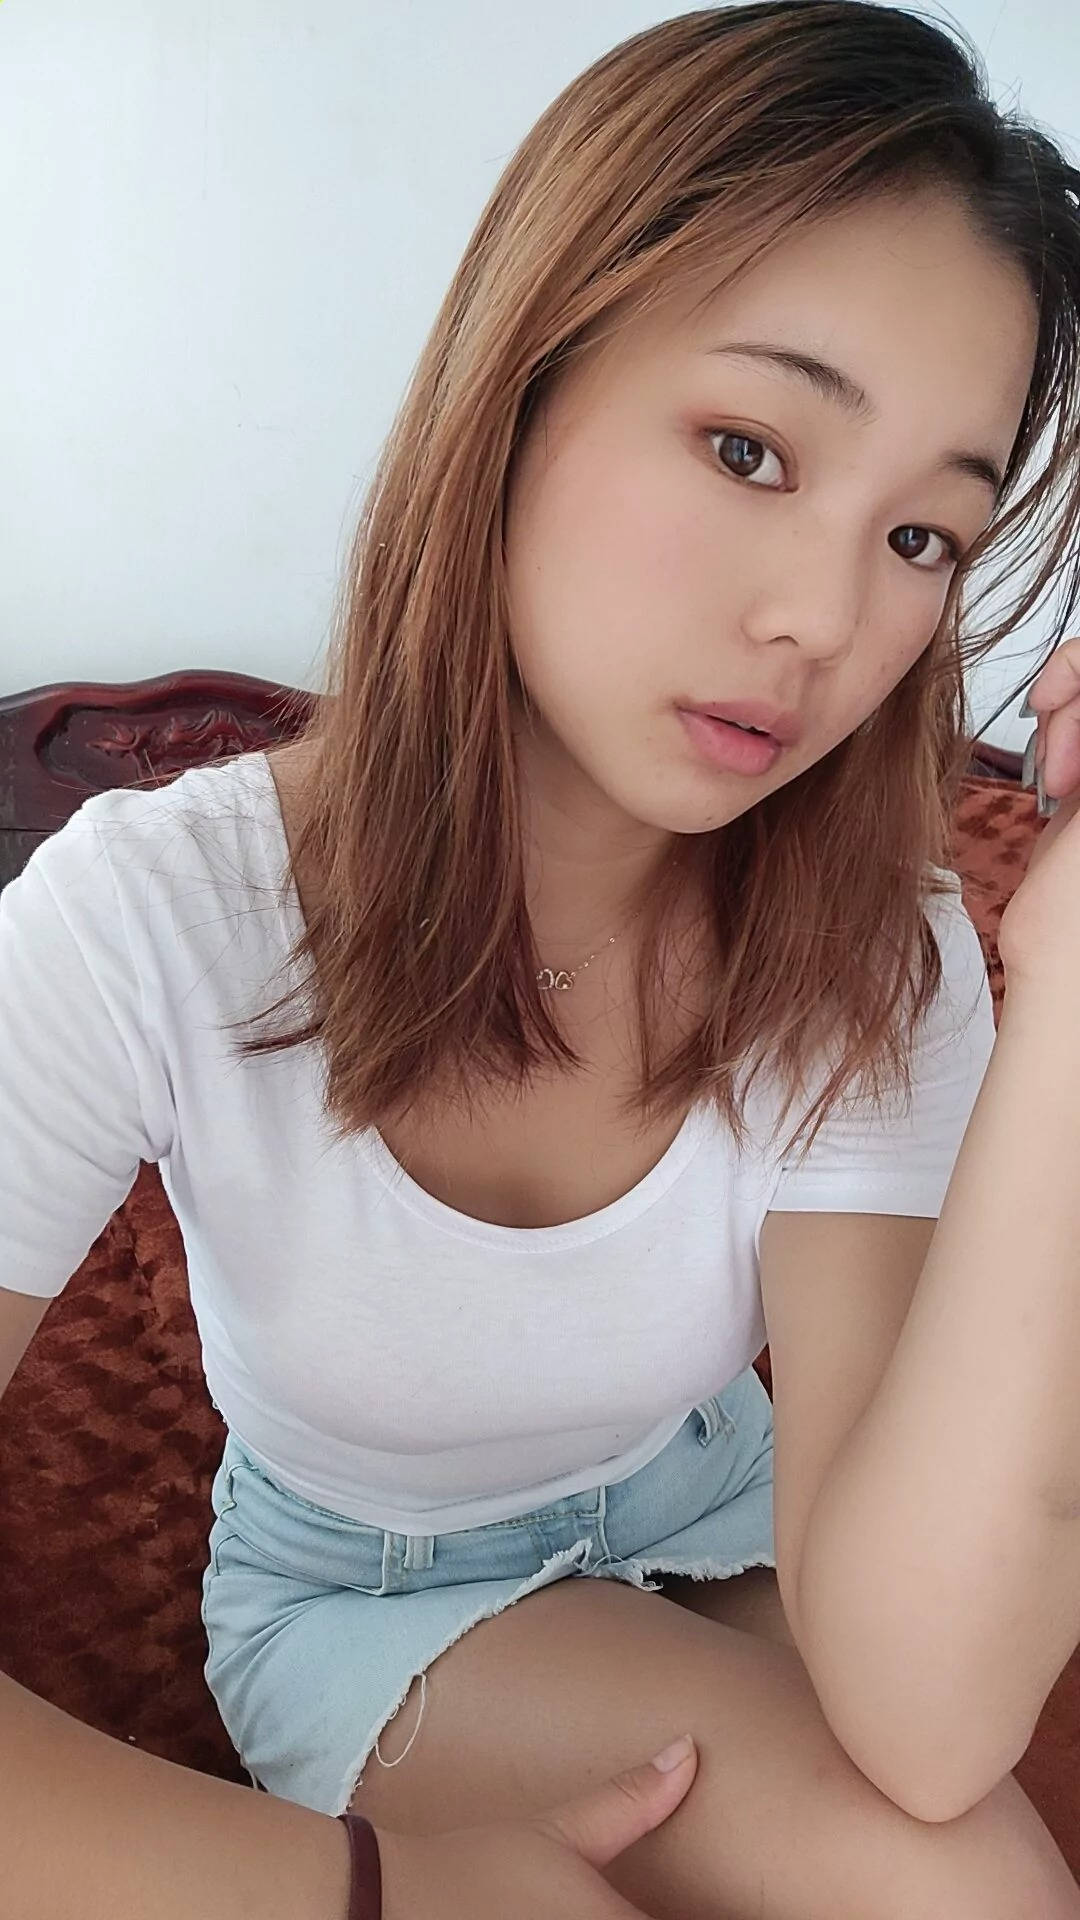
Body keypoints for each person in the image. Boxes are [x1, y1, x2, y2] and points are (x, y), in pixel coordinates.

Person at [4, 1, 1080, 1913]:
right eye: (749, 447)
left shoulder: (870, 942)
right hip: (365, 1586)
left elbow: (931, 1716)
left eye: (925, 536)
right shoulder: (152, 915)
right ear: (520, 385)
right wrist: (371, 1890)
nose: (824, 617)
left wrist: (1074, 980)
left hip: (724, 1495)